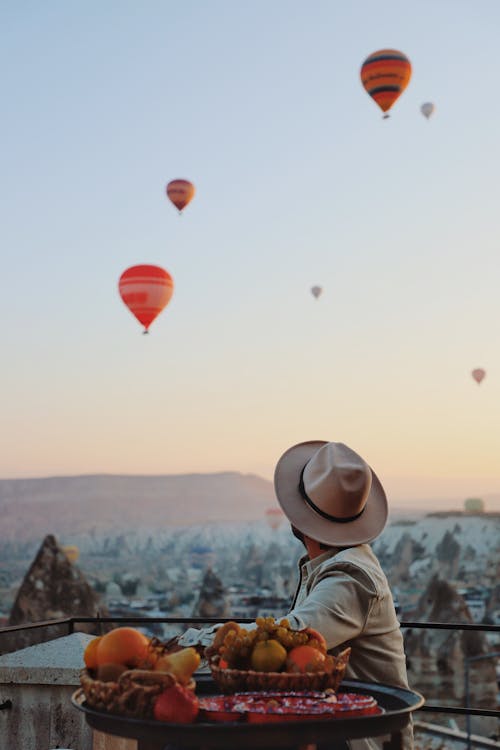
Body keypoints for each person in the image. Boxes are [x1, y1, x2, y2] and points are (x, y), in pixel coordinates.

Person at [180, 440, 412, 750]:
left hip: (356, 738)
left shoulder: (350, 577)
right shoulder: (334, 566)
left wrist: (196, 644)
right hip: (334, 720)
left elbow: (291, 637)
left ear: (299, 517)